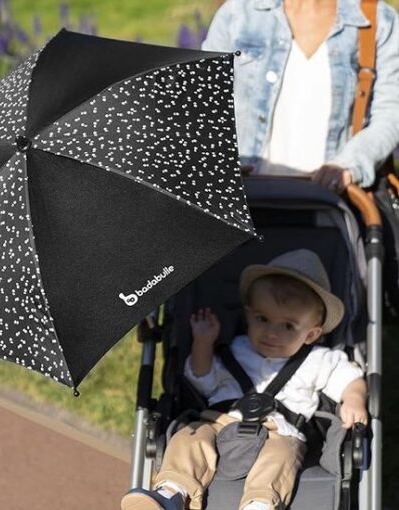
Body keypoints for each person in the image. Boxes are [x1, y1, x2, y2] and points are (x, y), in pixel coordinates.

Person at [120, 249, 368, 510]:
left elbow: (349, 377)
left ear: (311, 334)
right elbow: (204, 382)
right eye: (262, 319)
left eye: (288, 326)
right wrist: (203, 343)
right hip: (220, 423)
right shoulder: (234, 349)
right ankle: (171, 493)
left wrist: (353, 398)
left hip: (280, 431)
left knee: (280, 459)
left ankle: (259, 505)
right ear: (248, 315)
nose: (271, 332)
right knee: (189, 438)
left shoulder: (318, 360)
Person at [201, 0, 399, 194]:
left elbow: (390, 114)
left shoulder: (376, 20)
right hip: (249, 199)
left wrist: (348, 165)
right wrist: (218, 162)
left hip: (331, 207)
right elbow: (202, 106)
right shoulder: (238, 14)